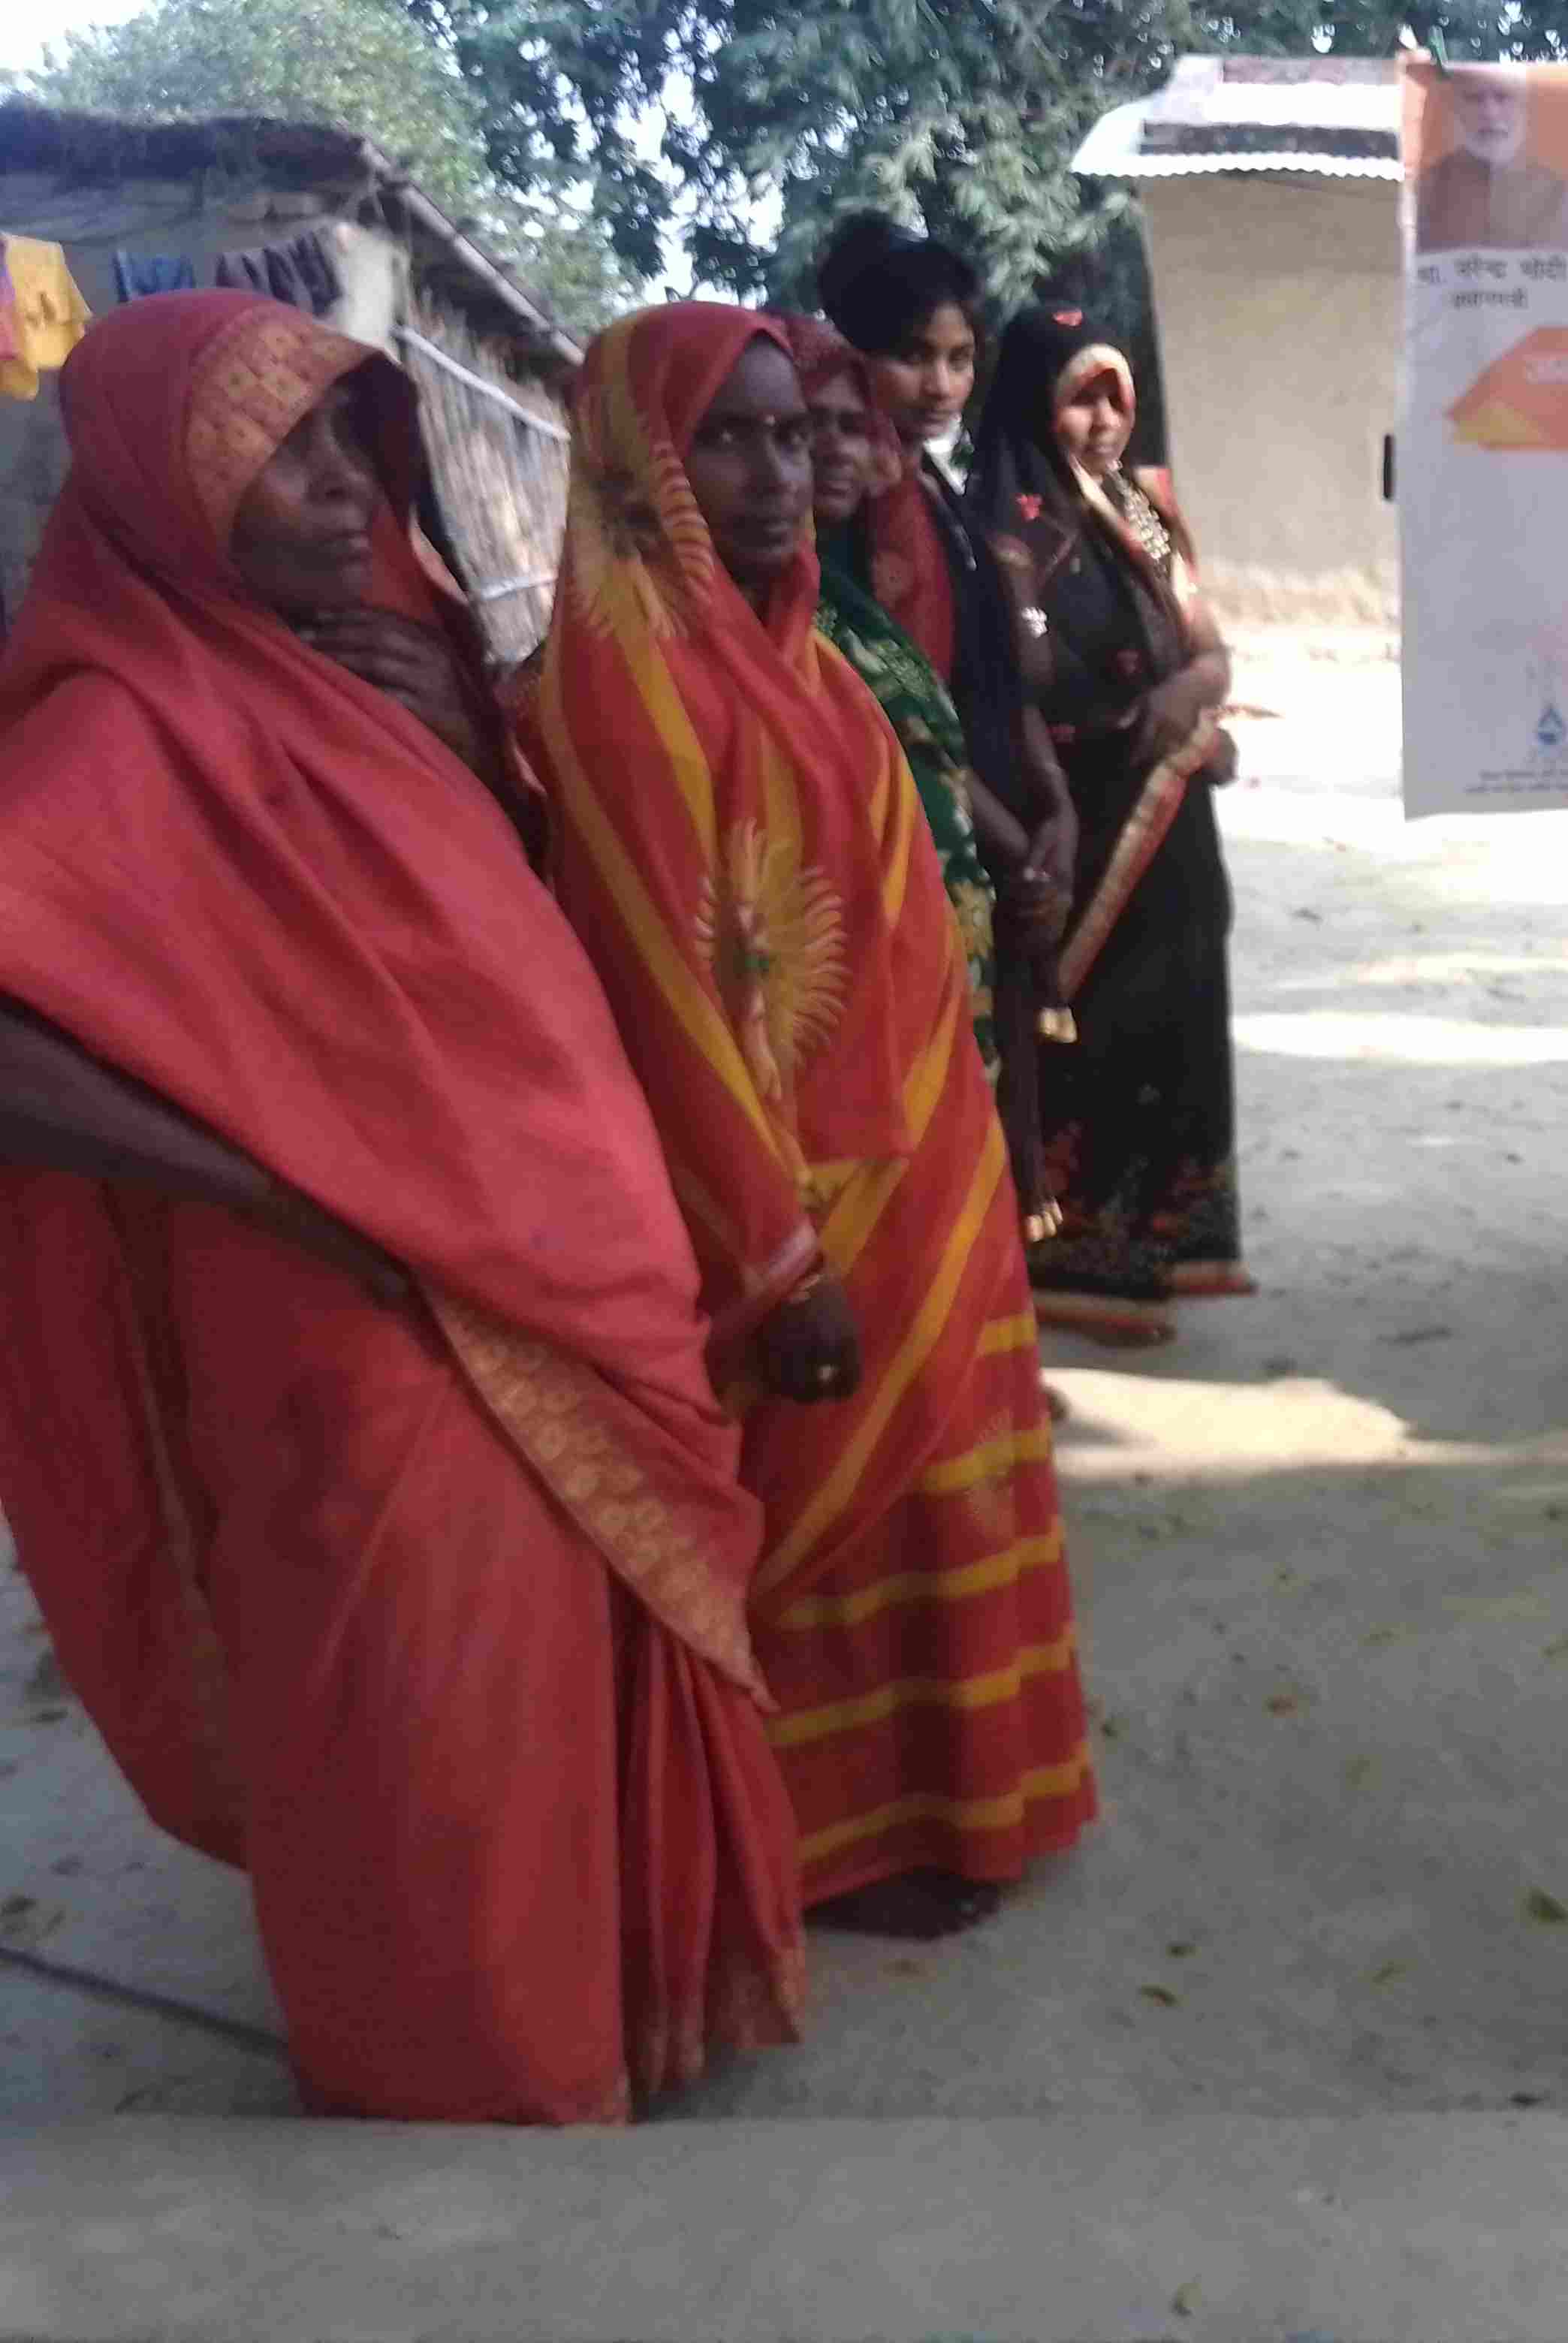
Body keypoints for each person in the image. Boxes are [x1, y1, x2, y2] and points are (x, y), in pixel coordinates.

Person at [0, 290, 805, 2118]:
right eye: (281, 450)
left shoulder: (358, 674)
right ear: (165, 482)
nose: (344, 484)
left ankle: (603, 2014)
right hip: (357, 1329)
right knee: (424, 1721)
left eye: (348, 440)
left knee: (545, 1690)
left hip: (536, 1270)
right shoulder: (122, 723)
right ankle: (465, 2097)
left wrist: (464, 740)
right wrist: (276, 1177)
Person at [518, 303, 1097, 1940]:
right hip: (785, 1205)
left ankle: (954, 1797)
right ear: (637, 462)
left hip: (918, 1159)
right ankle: (829, 1842)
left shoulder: (806, 658)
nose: (778, 475)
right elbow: (667, 1008)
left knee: (939, 1499)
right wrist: (777, 1258)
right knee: (821, 1533)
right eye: (728, 439)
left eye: (791, 436)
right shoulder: (628, 691)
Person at [971, 303, 1256, 1343]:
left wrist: (1185, 702)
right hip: (1076, 827)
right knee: (1096, 1038)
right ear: (1032, 403)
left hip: (1172, 828)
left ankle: (1163, 1250)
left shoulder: (1139, 508)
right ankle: (1078, 1265)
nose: (1103, 422)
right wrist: (1161, 719)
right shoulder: (1000, 533)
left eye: (1115, 398)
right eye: (1080, 398)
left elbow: (1209, 648)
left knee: (1174, 1028)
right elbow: (1013, 698)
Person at [815, 213, 1080, 1221]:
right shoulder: (847, 499)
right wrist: (1013, 841)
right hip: (933, 821)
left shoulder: (938, 489)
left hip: (1003, 816)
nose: (939, 384)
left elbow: (997, 669)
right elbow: (887, 696)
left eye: (960, 359)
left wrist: (1053, 806)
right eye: (912, 356)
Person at [1413, 65, 1568, 255]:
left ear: (1524, 106)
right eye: (1474, 99)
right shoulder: (1425, 190)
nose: (1490, 113)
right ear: (1456, 108)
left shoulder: (1566, 194)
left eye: (1503, 98)